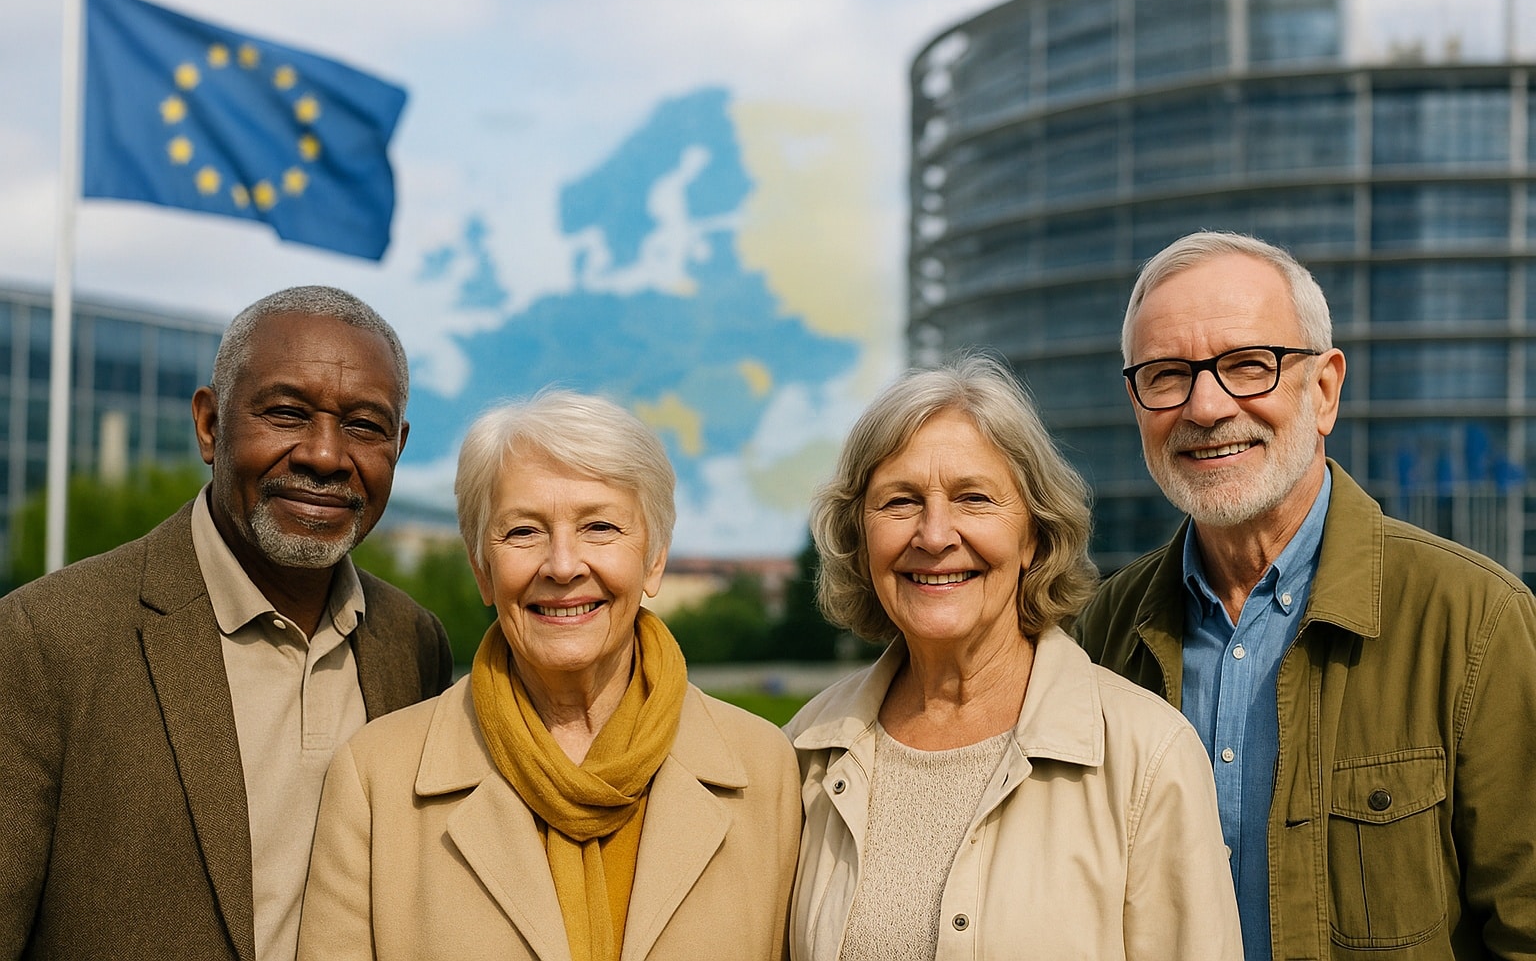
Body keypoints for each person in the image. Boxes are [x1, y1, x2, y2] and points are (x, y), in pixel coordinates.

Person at [1077, 230, 1536, 960]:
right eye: (1166, 375)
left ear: (1323, 391)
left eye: (1247, 365)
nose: (1205, 406)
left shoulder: (1475, 621)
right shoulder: (1101, 632)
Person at [0, 286, 453, 961]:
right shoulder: (45, 638)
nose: (325, 456)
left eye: (364, 426)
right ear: (210, 426)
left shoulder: (413, 644)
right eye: (287, 413)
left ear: (399, 446)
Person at [298, 390, 800, 961]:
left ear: (655, 558)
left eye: (600, 527)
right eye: (523, 532)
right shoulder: (375, 780)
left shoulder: (766, 771)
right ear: (482, 569)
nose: (562, 566)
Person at [786, 354, 1241, 960]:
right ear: (860, 536)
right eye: (900, 502)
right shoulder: (802, 754)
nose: (935, 535)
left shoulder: (1148, 755)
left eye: (973, 498)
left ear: (1034, 535)